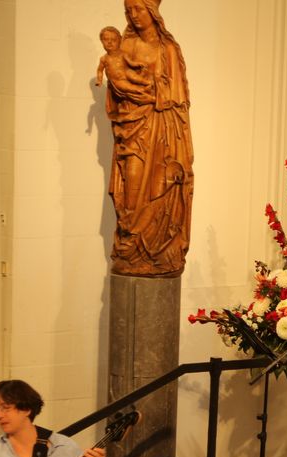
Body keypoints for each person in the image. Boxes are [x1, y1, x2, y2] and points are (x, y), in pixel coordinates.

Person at [106, 0, 193, 276]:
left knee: (161, 188)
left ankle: (158, 251)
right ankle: (131, 246)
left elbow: (178, 101)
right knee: (131, 187)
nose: (133, 15)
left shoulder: (167, 49)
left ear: (152, 12)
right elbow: (115, 90)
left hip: (163, 130)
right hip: (133, 129)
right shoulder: (126, 47)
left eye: (138, 9)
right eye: (128, 10)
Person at [96, 26, 149, 92]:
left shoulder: (123, 54)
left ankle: (147, 83)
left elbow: (131, 63)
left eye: (114, 40)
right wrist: (99, 80)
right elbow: (100, 70)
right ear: (102, 41)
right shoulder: (104, 59)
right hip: (117, 80)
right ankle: (141, 90)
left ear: (120, 40)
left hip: (126, 72)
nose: (109, 42)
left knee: (134, 76)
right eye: (106, 39)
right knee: (127, 87)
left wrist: (138, 64)